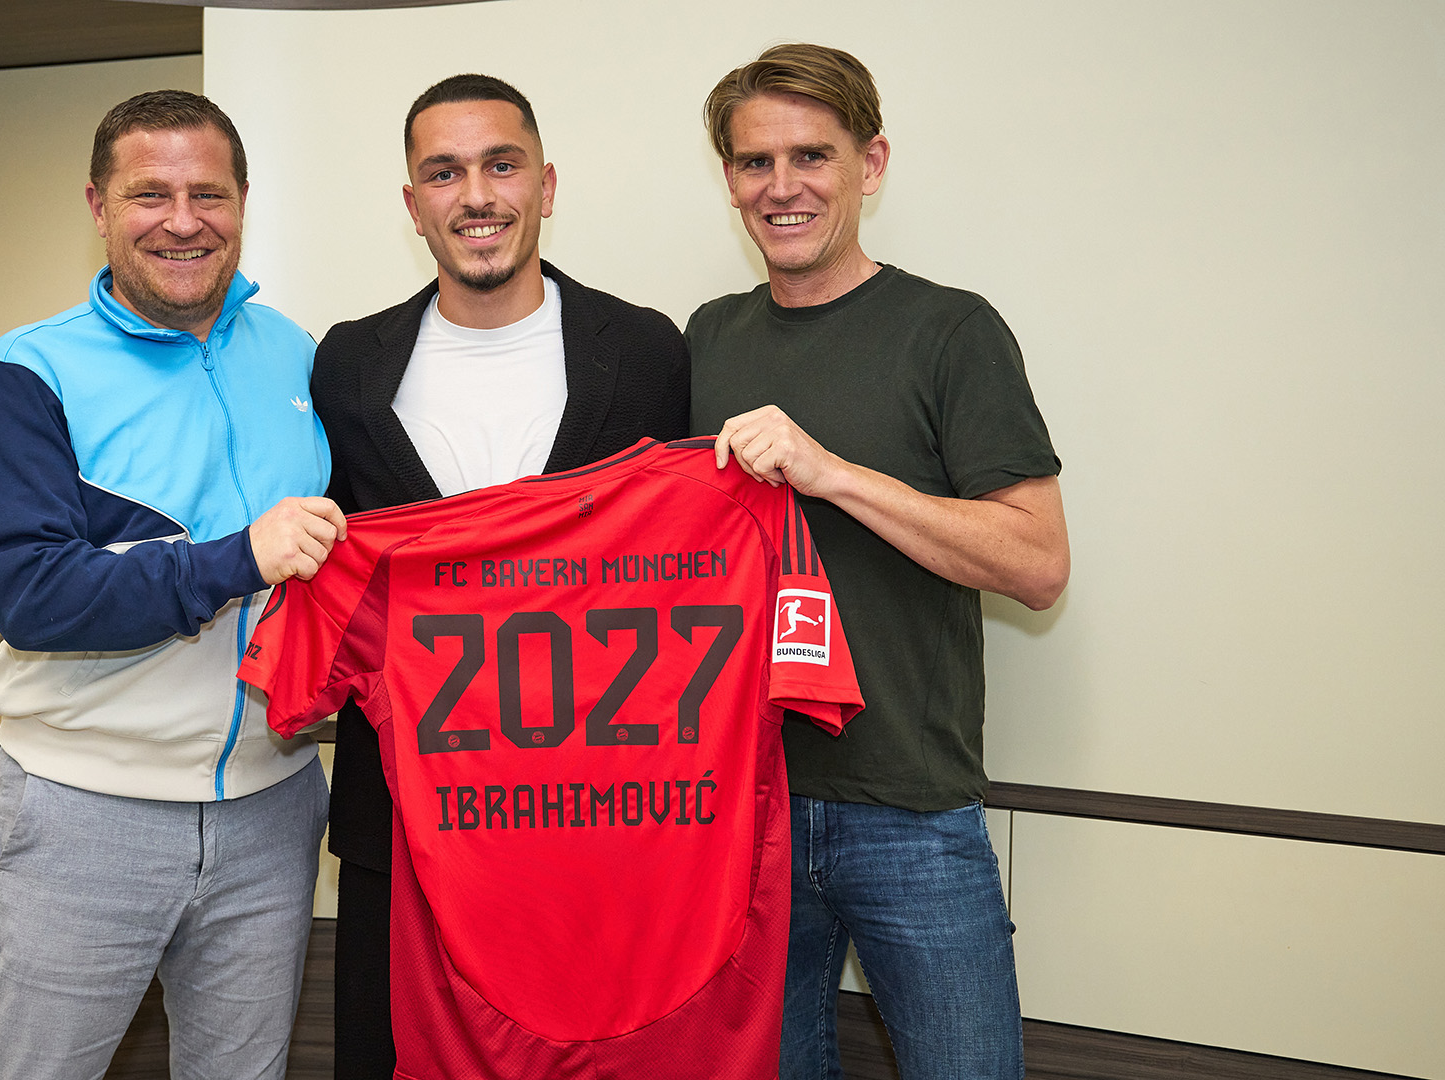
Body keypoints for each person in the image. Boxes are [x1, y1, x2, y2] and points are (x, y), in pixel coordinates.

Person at [687, 44, 1072, 1080]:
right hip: (744, 813)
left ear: (872, 161)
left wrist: (831, 473)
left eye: (812, 154)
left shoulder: (950, 330)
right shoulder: (706, 338)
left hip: (909, 809)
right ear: (728, 177)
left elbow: (1038, 564)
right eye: (755, 161)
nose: (783, 186)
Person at [0, 89, 347, 1080]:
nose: (183, 220)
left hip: (275, 806)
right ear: (97, 205)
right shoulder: (27, 374)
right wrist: (236, 559)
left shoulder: (299, 355)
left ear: (244, 201)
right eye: (149, 194)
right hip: (89, 813)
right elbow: (35, 597)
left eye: (208, 193)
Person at [310, 73, 690, 1079]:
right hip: (403, 817)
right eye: (445, 172)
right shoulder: (348, 366)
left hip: (596, 818)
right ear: (413, 206)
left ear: (546, 184)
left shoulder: (649, 350)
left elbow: (685, 571)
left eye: (501, 164)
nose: (476, 195)